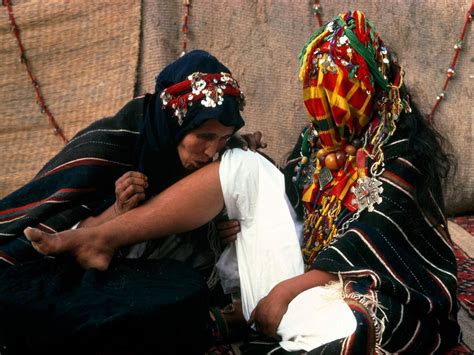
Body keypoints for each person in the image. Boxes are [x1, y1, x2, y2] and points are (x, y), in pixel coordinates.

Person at [22, 10, 462, 354]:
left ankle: (255, 321)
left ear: (364, 89)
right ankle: (97, 241)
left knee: (350, 326)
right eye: (319, 100)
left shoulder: (401, 152)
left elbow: (375, 244)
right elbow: (288, 201)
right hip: (288, 272)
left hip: (344, 284)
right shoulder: (321, 138)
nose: (325, 116)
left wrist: (287, 288)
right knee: (244, 168)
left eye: (335, 99)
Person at [0, 49, 263, 354]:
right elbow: (54, 239)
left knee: (182, 289)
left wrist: (220, 230)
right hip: (66, 278)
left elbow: (196, 242)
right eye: (203, 136)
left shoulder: (214, 163)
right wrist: (118, 210)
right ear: (174, 123)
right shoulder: (111, 143)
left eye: (221, 138)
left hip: (136, 283)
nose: (209, 152)